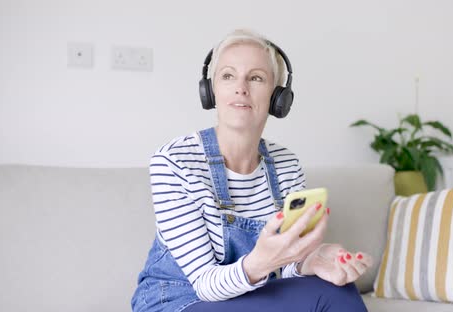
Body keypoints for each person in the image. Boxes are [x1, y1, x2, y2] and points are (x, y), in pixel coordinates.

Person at [131, 29, 373, 312]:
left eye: (256, 77)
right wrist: (260, 263)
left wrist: (311, 261)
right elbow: (205, 285)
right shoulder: (175, 161)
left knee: (336, 289)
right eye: (228, 76)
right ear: (211, 91)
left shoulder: (286, 164)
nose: (241, 87)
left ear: (277, 98)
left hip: (246, 297)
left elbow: (285, 268)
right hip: (179, 301)